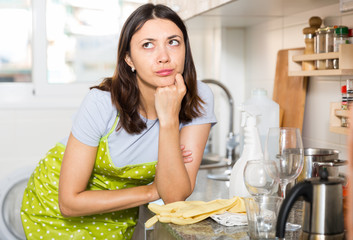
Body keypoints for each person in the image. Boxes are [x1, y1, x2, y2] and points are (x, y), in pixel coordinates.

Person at [20, 3, 217, 239]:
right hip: (54, 213)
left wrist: (168, 121)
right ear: (129, 59)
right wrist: (152, 190)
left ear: (186, 50)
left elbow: (175, 196)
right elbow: (69, 203)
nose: (164, 57)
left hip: (117, 214)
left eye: (173, 42)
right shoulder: (102, 102)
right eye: (147, 45)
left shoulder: (199, 96)